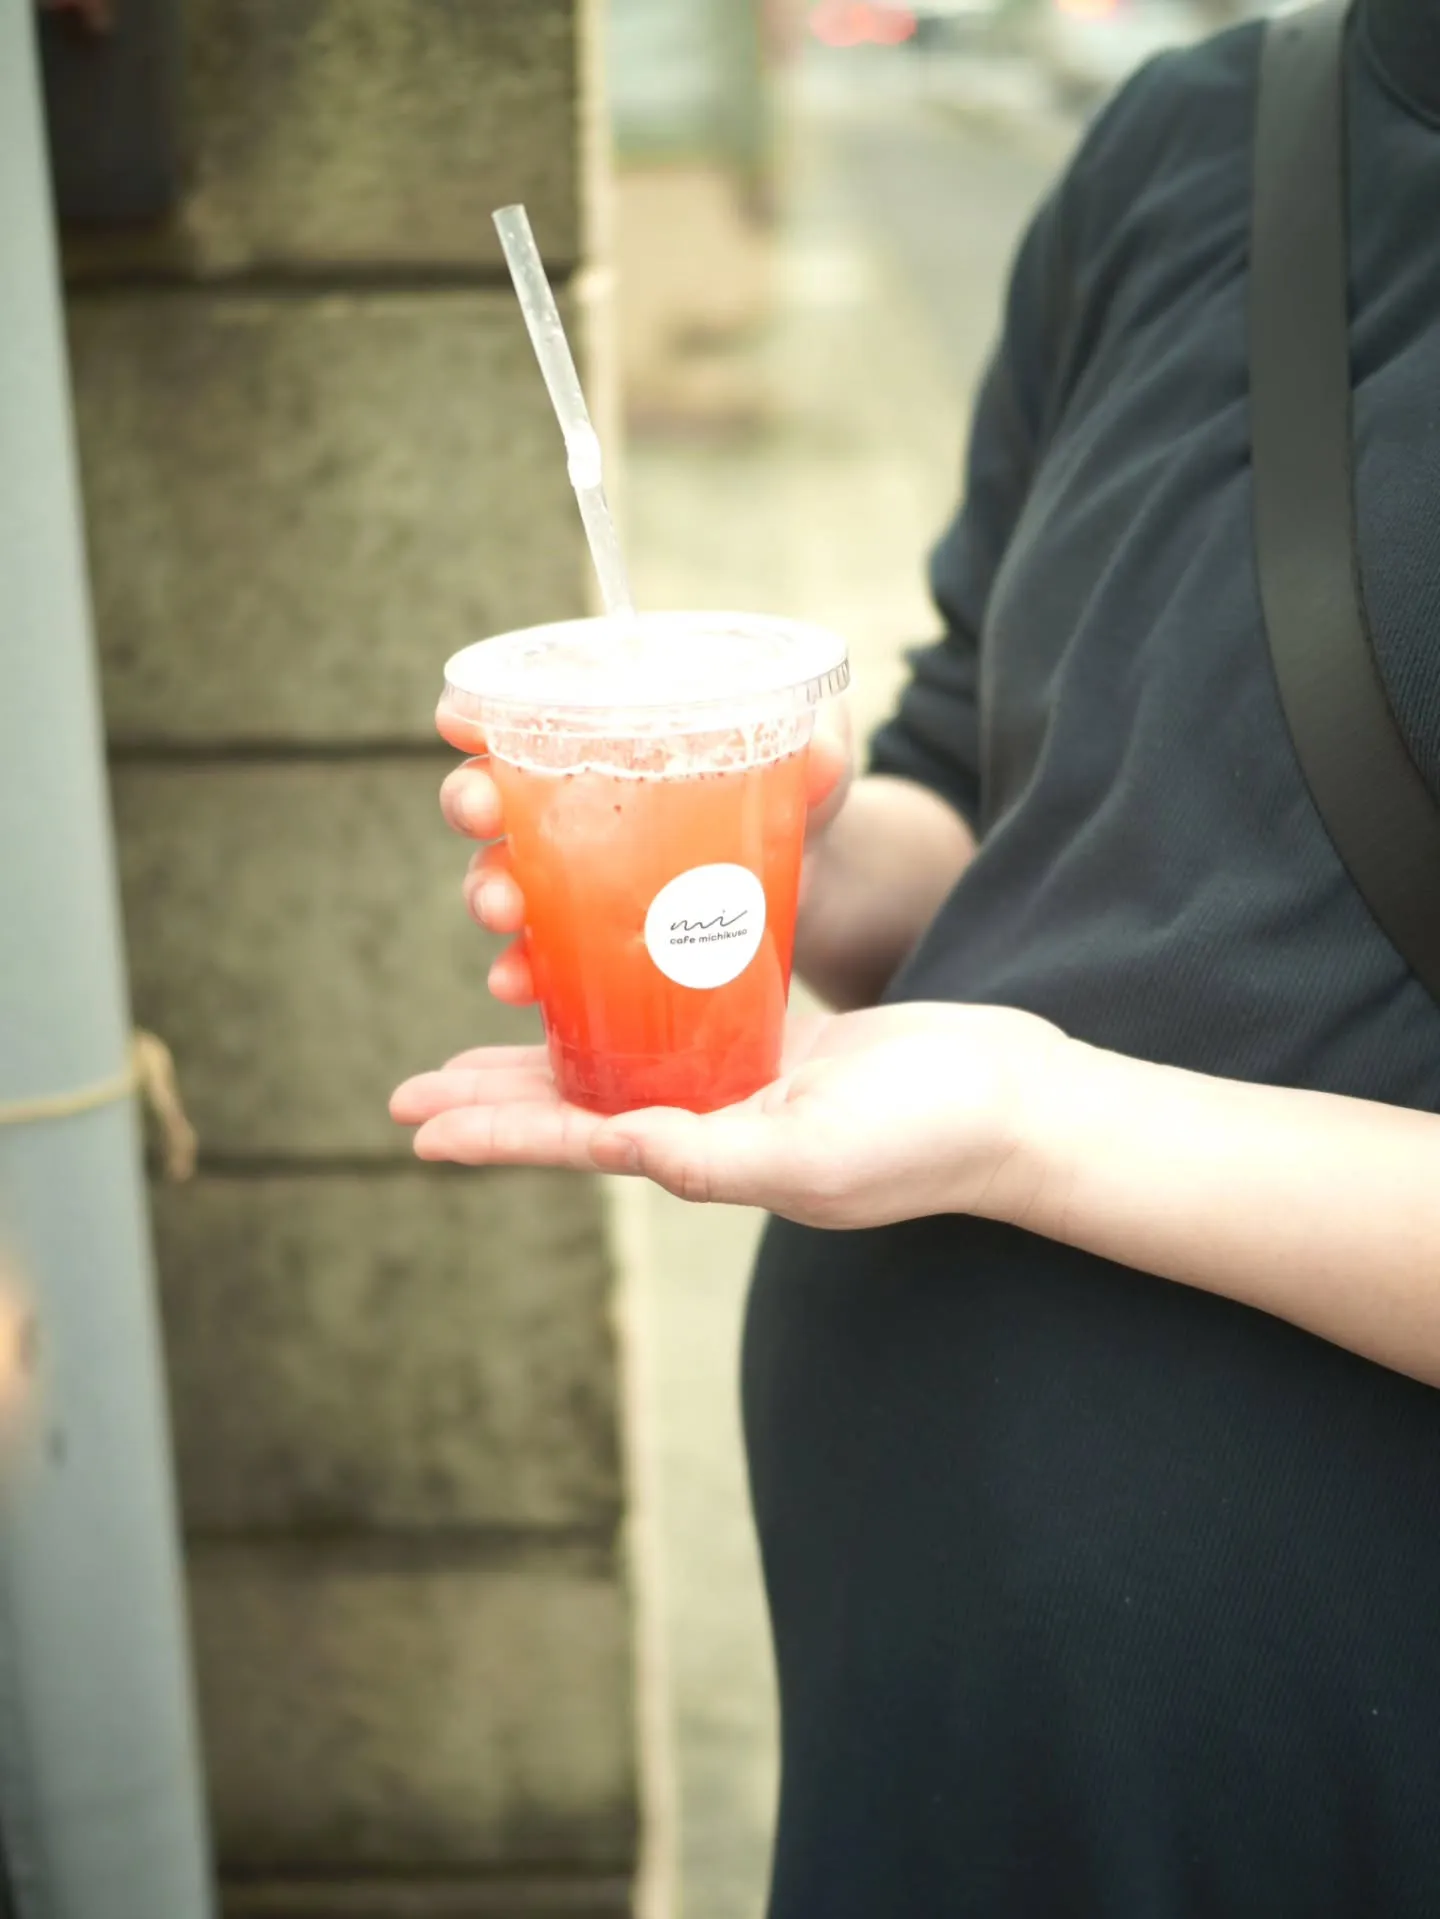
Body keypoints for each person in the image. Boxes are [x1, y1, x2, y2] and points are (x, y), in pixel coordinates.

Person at [393, 0, 1440, 1909]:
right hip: (928, 1708)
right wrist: (791, 850)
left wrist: (1031, 1128)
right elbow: (986, 781)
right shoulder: (1200, 139)